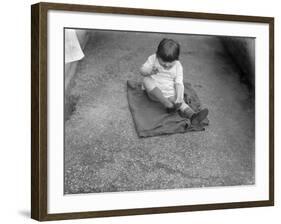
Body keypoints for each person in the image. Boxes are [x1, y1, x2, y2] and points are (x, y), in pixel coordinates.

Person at [140, 38, 208, 125]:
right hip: (154, 93)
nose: (166, 64)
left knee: (179, 100)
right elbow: (142, 70)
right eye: (163, 61)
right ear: (157, 55)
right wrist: (149, 71)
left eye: (170, 62)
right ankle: (166, 103)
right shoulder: (153, 58)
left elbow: (179, 83)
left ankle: (193, 116)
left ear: (176, 59)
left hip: (169, 93)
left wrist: (179, 97)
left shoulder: (178, 66)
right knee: (146, 80)